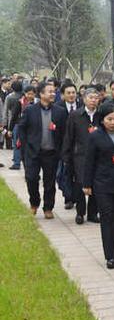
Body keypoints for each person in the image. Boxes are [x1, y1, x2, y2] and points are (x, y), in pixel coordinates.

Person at [83, 102, 114, 269]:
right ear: (102, 120)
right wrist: (87, 183)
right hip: (103, 183)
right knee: (107, 217)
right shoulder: (95, 136)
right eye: (109, 119)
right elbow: (89, 161)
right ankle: (109, 255)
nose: (113, 122)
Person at [18, 82, 67, 218]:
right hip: (33, 152)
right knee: (31, 178)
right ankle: (34, 203)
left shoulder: (60, 112)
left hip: (51, 153)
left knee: (50, 182)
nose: (53, 94)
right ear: (41, 94)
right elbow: (22, 128)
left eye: (54, 91)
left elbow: (64, 133)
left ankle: (48, 208)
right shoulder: (30, 110)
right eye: (49, 91)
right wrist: (25, 145)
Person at [62, 88, 101, 225]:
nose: (93, 100)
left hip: (98, 156)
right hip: (80, 156)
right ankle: (80, 212)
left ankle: (92, 213)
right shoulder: (75, 115)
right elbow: (69, 137)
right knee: (79, 184)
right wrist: (66, 156)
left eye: (96, 97)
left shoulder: (101, 115)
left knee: (96, 184)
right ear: (84, 99)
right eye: (91, 97)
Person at [55, 82, 81, 210]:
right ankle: (68, 198)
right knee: (65, 173)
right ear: (62, 95)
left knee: (79, 174)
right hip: (63, 146)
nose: (71, 95)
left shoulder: (82, 106)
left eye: (73, 93)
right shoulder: (58, 108)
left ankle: (76, 197)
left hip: (80, 146)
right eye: (68, 93)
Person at [7, 85, 35, 170]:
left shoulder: (37, 103)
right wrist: (10, 129)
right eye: (28, 94)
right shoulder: (20, 102)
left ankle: (31, 165)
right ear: (25, 93)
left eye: (32, 94)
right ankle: (16, 163)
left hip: (32, 127)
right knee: (17, 145)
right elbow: (14, 116)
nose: (30, 96)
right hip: (19, 126)